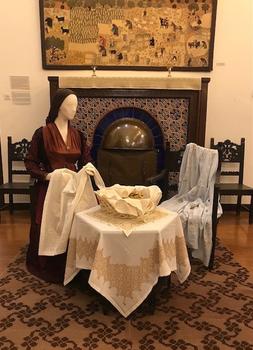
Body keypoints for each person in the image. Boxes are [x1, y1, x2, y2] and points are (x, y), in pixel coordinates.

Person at [25, 88, 92, 283]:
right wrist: (46, 176)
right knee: (49, 222)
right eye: (70, 105)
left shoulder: (78, 134)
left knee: (83, 219)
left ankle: (78, 261)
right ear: (59, 107)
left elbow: (87, 160)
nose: (74, 109)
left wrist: (88, 169)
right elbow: (30, 162)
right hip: (51, 187)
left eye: (76, 105)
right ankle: (51, 263)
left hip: (73, 186)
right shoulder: (42, 133)